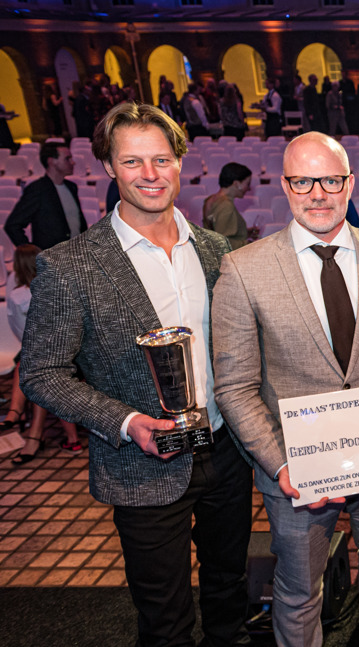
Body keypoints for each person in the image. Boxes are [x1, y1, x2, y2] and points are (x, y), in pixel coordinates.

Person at [19, 102, 252, 647]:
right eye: (132, 161)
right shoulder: (70, 264)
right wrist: (126, 422)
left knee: (230, 594)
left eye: (162, 159)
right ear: (108, 166)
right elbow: (42, 372)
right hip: (141, 464)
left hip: (225, 452)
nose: (150, 174)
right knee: (164, 619)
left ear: (180, 162)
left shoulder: (217, 250)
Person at [213, 131, 359, 647]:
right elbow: (235, 387)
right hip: (294, 468)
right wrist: (280, 465)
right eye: (303, 181)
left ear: (349, 184)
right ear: (285, 186)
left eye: (330, 180)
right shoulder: (244, 269)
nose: (317, 194)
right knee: (298, 591)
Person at [6, 244, 82, 463]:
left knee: (33, 367)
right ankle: (67, 439)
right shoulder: (59, 286)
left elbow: (18, 330)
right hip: (64, 351)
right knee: (40, 372)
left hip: (56, 353)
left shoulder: (18, 295)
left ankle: (16, 413)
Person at [4, 142, 87, 250]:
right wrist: (31, 253)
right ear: (51, 161)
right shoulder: (37, 189)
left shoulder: (72, 187)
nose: (73, 162)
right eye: (67, 159)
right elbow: (13, 225)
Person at [203, 162, 254, 249]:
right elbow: (222, 243)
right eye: (247, 184)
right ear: (236, 184)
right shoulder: (226, 206)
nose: (249, 188)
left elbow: (215, 229)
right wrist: (249, 243)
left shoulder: (210, 200)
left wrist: (245, 232)